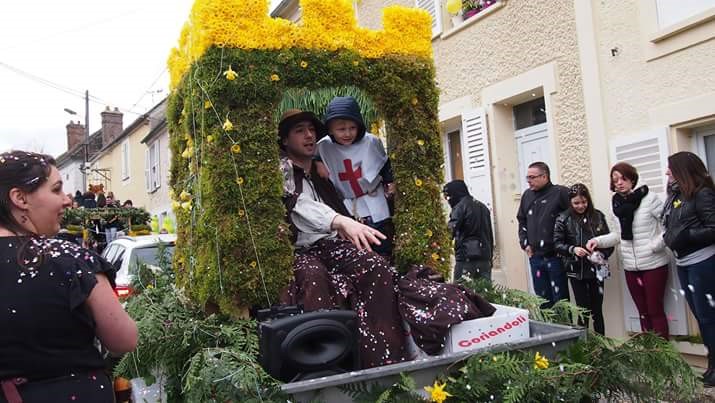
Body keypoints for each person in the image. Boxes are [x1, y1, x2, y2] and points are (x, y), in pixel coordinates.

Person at [0, 151, 138, 402]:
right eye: (56, 190)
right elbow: (124, 339)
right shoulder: (68, 258)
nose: (66, 200)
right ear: (20, 198)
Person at [277, 109, 405, 369]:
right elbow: (297, 205)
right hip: (299, 251)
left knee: (376, 266)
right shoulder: (280, 170)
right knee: (313, 277)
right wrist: (339, 221)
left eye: (312, 130)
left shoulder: (320, 172)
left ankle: (385, 360)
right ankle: (325, 364)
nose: (309, 135)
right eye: (300, 130)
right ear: (285, 141)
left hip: (332, 245)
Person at [586, 162, 670, 339]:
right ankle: (649, 355)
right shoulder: (615, 204)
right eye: (615, 180)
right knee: (643, 312)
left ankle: (664, 357)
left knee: (655, 310)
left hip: (654, 263)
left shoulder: (650, 198)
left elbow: (669, 227)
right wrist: (597, 240)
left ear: (632, 178)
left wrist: (654, 245)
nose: (619, 183)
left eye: (623, 178)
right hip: (631, 266)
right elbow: (617, 235)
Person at [315, 96, 396, 258]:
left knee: (382, 244)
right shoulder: (323, 146)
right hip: (346, 205)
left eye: (352, 127)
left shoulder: (371, 142)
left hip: (374, 201)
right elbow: (312, 158)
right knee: (356, 251)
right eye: (341, 129)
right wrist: (317, 162)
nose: (347, 133)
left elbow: (384, 165)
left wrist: (390, 182)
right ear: (330, 129)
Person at [660, 152, 715, 386]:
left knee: (708, 317)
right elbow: (671, 223)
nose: (666, 172)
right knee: (702, 318)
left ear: (682, 170)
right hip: (684, 264)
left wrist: (686, 236)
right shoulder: (676, 195)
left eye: (670, 169)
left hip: (702, 262)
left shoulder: (702, 194)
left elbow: (713, 227)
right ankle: (712, 362)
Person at [554, 184, 613, 335]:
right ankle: (584, 347)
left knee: (597, 310)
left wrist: (602, 254)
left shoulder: (598, 216)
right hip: (576, 270)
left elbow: (609, 241)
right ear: (570, 202)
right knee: (582, 310)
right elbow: (557, 244)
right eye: (576, 203)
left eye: (584, 202)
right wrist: (572, 249)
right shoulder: (563, 218)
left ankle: (602, 345)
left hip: (597, 269)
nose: (581, 206)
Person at [516, 161, 570, 308]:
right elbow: (522, 220)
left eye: (532, 177)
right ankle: (547, 329)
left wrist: (565, 247)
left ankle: (564, 329)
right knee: (543, 300)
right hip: (536, 257)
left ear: (544, 176)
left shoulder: (561, 193)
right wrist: (524, 243)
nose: (529, 181)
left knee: (561, 301)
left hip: (555, 257)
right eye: (527, 177)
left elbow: (571, 221)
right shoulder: (527, 195)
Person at [442, 180, 494, 282]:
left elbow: (449, 231)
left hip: (466, 257)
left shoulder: (460, 207)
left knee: (461, 293)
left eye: (448, 196)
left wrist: (439, 245)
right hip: (485, 257)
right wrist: (490, 257)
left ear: (455, 193)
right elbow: (489, 235)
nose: (448, 200)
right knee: (485, 293)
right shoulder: (483, 207)